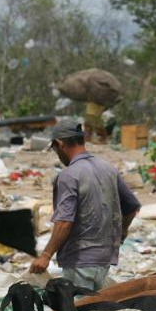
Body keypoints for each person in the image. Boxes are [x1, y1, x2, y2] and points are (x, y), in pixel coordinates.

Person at [28, 118, 141, 291]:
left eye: (55, 149)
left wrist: (46, 255)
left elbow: (64, 222)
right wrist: (122, 232)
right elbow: (132, 206)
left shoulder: (69, 175)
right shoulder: (108, 168)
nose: (57, 154)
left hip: (79, 261)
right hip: (104, 260)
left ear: (60, 144)